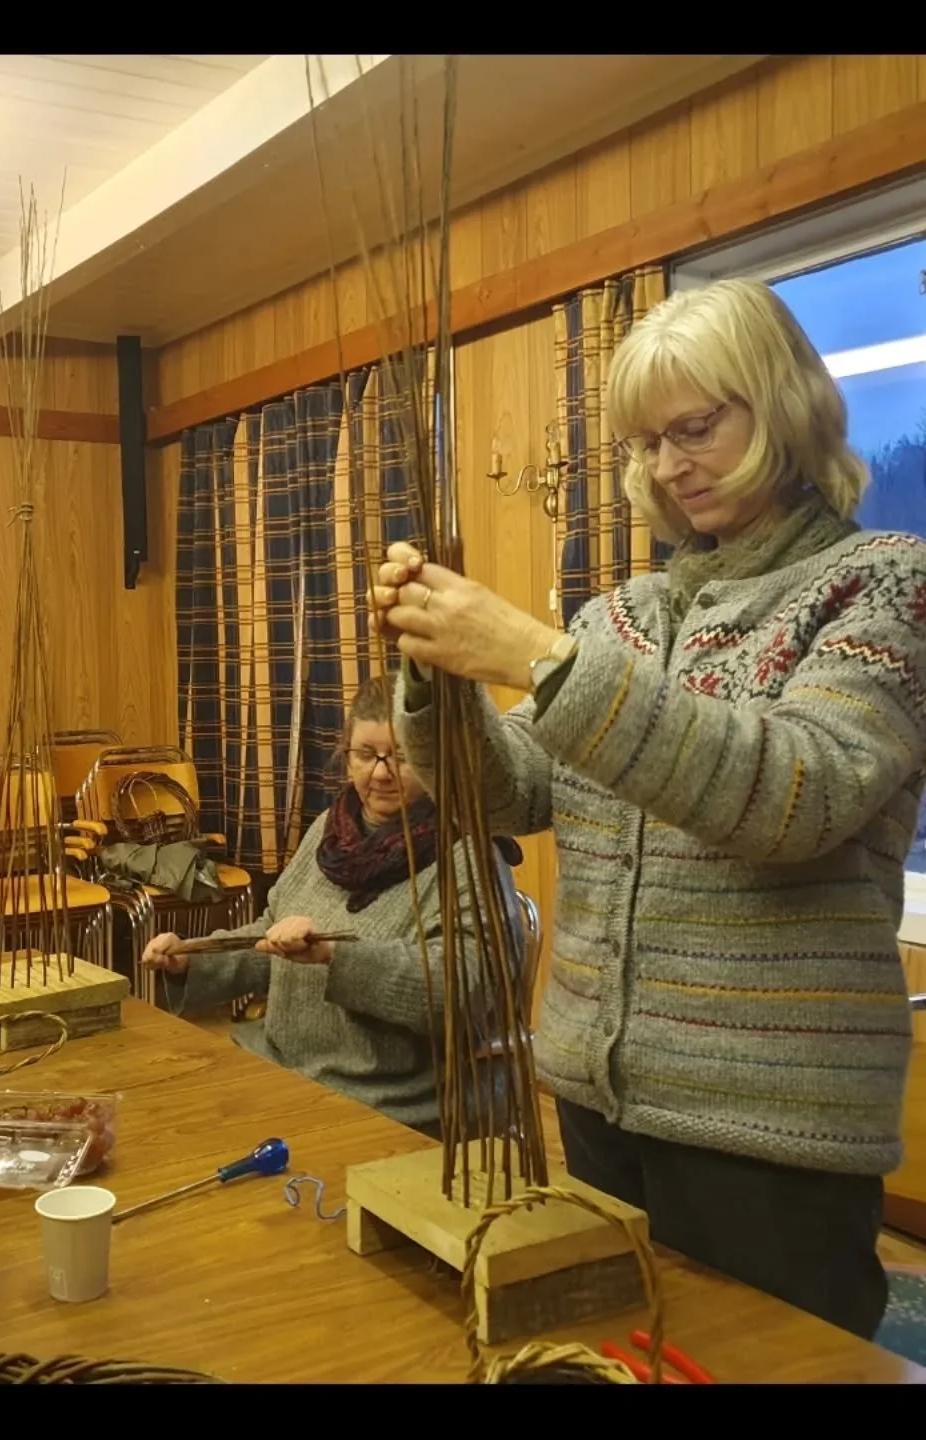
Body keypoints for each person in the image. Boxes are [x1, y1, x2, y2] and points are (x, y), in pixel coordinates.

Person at [372, 277, 926, 1341]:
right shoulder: (618, 615)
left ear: (785, 405)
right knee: (627, 1358)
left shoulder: (882, 586)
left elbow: (795, 795)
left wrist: (534, 656)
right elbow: (516, 792)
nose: (670, 466)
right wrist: (432, 679)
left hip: (769, 1127)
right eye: (648, 441)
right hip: (593, 1098)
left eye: (697, 429)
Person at [142, 674, 523, 1134]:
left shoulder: (468, 853)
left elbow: (464, 990)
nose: (379, 773)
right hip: (283, 1066)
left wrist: (336, 957)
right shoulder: (331, 828)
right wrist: (193, 959)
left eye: (399, 757)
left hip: (393, 1098)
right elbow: (270, 934)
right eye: (365, 755)